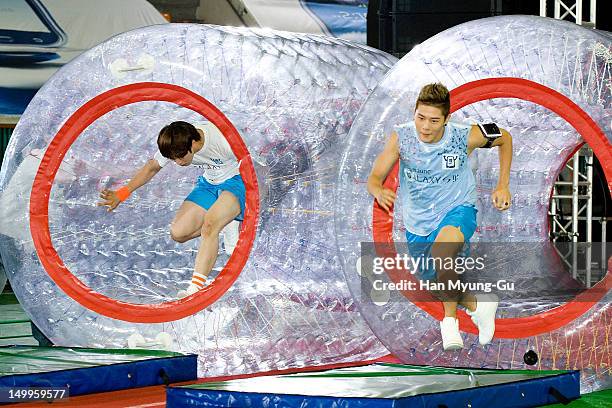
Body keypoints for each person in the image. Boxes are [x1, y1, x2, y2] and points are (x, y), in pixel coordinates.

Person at [367, 83, 513, 350]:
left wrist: (502, 184)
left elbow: (505, 137)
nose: (426, 127)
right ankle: (478, 304)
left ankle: (449, 322)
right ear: (414, 113)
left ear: (447, 119)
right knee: (433, 286)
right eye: (420, 118)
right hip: (418, 222)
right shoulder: (401, 137)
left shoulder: (464, 136)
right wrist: (378, 190)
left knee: (442, 252)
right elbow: (375, 177)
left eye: (434, 121)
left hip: (458, 210)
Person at [98, 121, 245, 298]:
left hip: (237, 181)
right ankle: (226, 219)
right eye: (173, 159)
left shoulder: (223, 140)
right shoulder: (176, 142)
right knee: (178, 233)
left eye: (180, 157)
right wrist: (121, 194)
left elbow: (256, 166)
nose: (177, 163)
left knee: (209, 226)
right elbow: (152, 167)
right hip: (210, 183)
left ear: (193, 143)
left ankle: (194, 290)